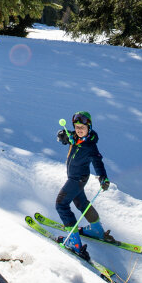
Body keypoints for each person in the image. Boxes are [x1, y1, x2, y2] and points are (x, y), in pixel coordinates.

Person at [54, 110, 113, 259]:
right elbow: (69, 138)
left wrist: (103, 177)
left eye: (83, 127)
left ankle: (75, 243)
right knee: (81, 202)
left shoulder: (90, 146)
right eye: (77, 126)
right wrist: (63, 137)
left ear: (89, 128)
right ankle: (97, 230)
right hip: (76, 177)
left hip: (77, 179)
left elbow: (98, 162)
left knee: (61, 204)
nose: (79, 130)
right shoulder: (75, 136)